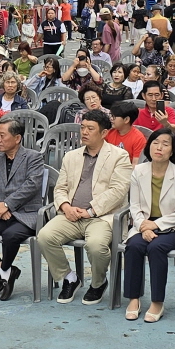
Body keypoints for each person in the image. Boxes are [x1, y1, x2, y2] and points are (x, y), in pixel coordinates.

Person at [39, 110, 132, 306]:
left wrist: (90, 210)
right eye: (83, 127)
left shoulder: (119, 156)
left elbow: (118, 191)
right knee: (45, 236)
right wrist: (65, 206)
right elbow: (61, 187)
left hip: (102, 217)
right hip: (71, 215)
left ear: (104, 133)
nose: (84, 132)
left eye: (90, 129)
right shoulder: (71, 156)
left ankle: (98, 283)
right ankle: (69, 278)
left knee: (96, 246)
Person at [0, 117, 50, 301]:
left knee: (11, 236)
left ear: (17, 138)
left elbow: (31, 186)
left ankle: (3, 272)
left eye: (2, 135)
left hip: (26, 214)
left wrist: (7, 205)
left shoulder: (33, 157)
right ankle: (5, 271)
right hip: (0, 214)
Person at [120, 128, 175, 323]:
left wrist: (154, 226)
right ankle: (134, 299)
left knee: (157, 247)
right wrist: (143, 226)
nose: (159, 147)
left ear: (172, 151)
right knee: (134, 246)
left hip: (173, 226)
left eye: (165, 144)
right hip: (143, 223)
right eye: (155, 142)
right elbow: (133, 205)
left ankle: (157, 302)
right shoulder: (139, 171)